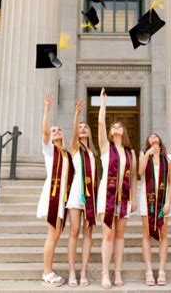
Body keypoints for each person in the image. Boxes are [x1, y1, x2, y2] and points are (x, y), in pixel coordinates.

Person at [96, 88, 138, 289]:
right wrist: (103, 104)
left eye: (119, 125)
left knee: (120, 236)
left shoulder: (130, 153)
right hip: (107, 196)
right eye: (114, 126)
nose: (116, 127)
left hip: (124, 198)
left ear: (124, 131)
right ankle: (105, 273)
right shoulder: (106, 148)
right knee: (108, 235)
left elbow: (135, 179)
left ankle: (118, 272)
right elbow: (101, 124)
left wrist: (135, 198)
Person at [36, 94, 75, 287]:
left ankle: (48, 270)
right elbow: (44, 132)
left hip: (63, 197)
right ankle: (47, 272)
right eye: (53, 130)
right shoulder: (50, 150)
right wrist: (46, 110)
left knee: (57, 233)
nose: (56, 131)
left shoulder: (66, 154)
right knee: (52, 234)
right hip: (52, 195)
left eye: (59, 129)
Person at [66, 100, 98, 287]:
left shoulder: (93, 152)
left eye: (86, 127)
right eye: (80, 127)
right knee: (74, 231)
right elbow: (73, 133)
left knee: (88, 234)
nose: (83, 129)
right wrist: (77, 114)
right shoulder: (75, 148)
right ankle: (71, 271)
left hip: (91, 197)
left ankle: (83, 271)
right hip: (77, 193)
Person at [138, 133, 171, 286]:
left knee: (163, 234)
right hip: (148, 200)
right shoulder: (143, 155)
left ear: (159, 140)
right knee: (146, 233)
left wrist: (168, 203)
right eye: (150, 137)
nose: (152, 138)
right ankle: (148, 271)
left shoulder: (168, 159)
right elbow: (140, 172)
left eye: (155, 136)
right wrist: (147, 154)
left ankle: (161, 271)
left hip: (164, 201)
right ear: (148, 142)